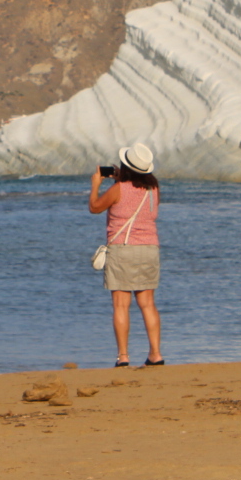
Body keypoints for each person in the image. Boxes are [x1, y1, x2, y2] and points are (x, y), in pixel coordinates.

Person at [89, 142, 163, 367]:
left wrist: (95, 185)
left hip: (122, 248)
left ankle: (123, 357)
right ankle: (156, 354)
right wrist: (122, 178)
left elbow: (95, 207)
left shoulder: (118, 189)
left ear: (125, 166)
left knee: (121, 305)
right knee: (148, 304)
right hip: (149, 249)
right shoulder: (153, 189)